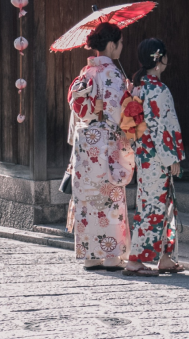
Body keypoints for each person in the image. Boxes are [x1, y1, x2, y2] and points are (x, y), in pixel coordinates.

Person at [67, 22, 134, 271]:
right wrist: (129, 94)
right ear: (111, 44)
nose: (121, 47)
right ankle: (111, 255)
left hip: (85, 144)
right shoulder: (113, 74)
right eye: (120, 42)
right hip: (106, 143)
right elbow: (118, 113)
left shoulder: (86, 72)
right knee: (109, 198)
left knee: (86, 198)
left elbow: (78, 110)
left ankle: (90, 255)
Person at [121, 37, 186, 277]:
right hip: (157, 156)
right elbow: (162, 127)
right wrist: (173, 158)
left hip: (144, 154)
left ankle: (166, 257)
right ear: (160, 59)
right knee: (152, 206)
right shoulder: (158, 90)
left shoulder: (137, 87)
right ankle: (136, 260)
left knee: (161, 204)